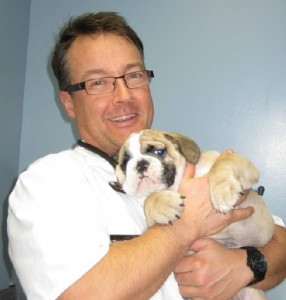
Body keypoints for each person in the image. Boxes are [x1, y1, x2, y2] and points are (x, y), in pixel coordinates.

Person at [7, 11, 286, 300]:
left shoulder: (183, 164)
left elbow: (280, 239)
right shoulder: (47, 183)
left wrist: (247, 265)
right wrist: (183, 228)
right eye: (98, 82)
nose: (123, 95)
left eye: (134, 75)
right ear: (68, 103)